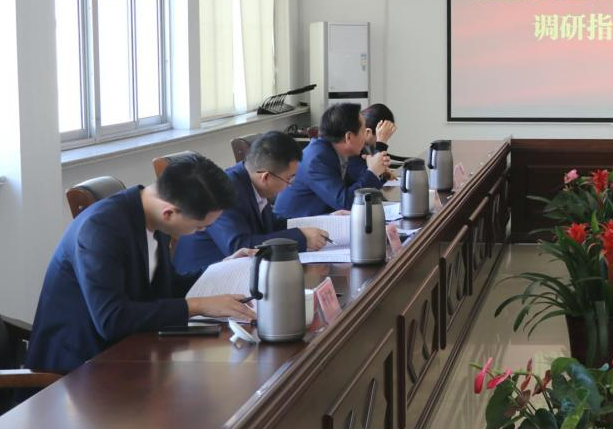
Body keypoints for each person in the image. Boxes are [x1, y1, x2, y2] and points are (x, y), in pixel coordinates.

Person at [26, 154, 256, 374]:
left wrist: (222, 269)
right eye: (200, 227)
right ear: (169, 213)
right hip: (78, 367)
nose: (200, 232)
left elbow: (166, 287)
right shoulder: (100, 230)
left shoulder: (152, 216)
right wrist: (197, 306)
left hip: (130, 350)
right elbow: (112, 319)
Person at [174, 132, 331, 272]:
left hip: (238, 271)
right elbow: (239, 246)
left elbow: (271, 225)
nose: (289, 185)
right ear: (266, 177)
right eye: (289, 179)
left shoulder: (250, 181)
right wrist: (301, 237)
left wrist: (321, 222)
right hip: (202, 278)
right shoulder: (225, 191)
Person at [275, 102, 389, 218]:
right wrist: (372, 171)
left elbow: (354, 185)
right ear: (348, 137)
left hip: (319, 218)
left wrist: (378, 172)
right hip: (293, 225)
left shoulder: (331, 151)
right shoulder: (318, 159)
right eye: (363, 130)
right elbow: (346, 202)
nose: (366, 135)